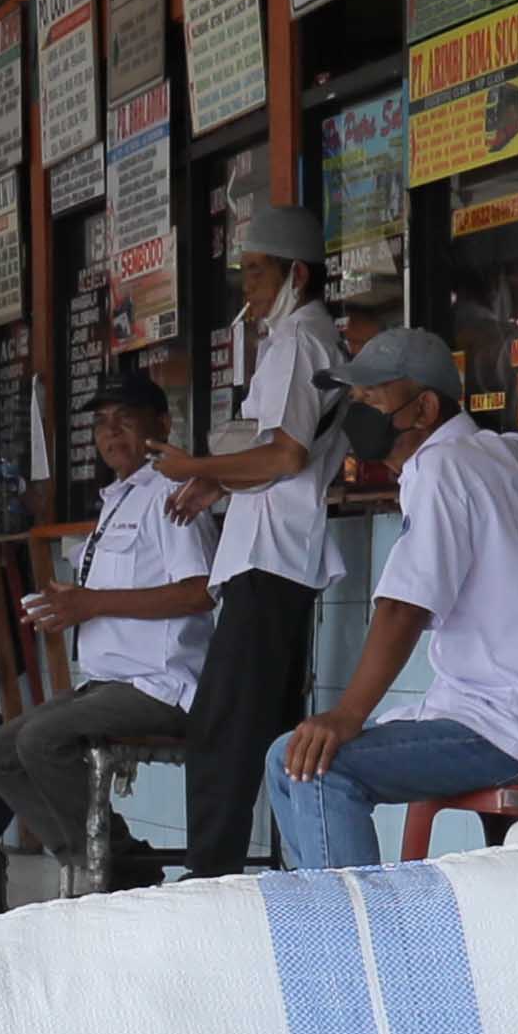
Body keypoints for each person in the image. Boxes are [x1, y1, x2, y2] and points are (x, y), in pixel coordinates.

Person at [268, 328, 518, 864]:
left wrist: (347, 714)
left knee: (321, 766)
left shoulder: (442, 466)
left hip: (506, 727)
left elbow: (402, 608)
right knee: (285, 757)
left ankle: (360, 918)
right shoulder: (487, 451)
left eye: (372, 399)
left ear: (425, 409)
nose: (359, 414)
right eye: (355, 400)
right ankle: (325, 905)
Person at [172, 180, 347, 867]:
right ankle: (279, 872)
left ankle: (209, 875)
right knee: (265, 730)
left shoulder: (302, 339)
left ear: (296, 274)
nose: (245, 285)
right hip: (270, 556)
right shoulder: (289, 341)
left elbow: (287, 454)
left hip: (272, 557)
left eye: (256, 271)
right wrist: (215, 478)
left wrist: (195, 463)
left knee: (222, 728)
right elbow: (273, 449)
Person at [0, 366, 217, 889]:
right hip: (108, 684)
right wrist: (66, 604)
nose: (111, 432)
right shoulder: (119, 497)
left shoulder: (172, 492)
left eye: (125, 419)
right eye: (101, 422)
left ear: (161, 424)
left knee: (42, 739)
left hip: (160, 685)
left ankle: (108, 870)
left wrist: (91, 603)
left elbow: (201, 592)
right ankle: (111, 861)